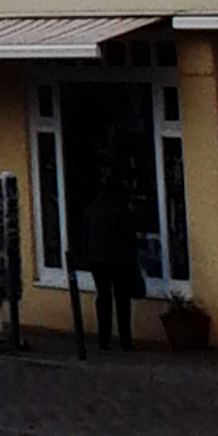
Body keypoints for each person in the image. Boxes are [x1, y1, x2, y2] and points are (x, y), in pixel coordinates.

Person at [73, 146, 144, 350]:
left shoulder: (91, 208)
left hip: (97, 259)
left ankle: (104, 339)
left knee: (103, 297)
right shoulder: (119, 207)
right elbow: (127, 233)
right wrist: (133, 250)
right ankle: (125, 340)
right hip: (118, 259)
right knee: (122, 300)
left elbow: (85, 233)